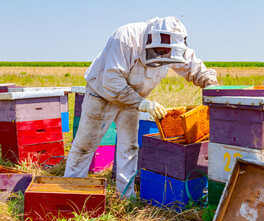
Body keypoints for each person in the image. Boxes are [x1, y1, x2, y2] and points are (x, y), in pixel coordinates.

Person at [63, 16, 218, 198]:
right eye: (162, 50)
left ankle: (126, 196)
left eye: (168, 52)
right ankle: (70, 193)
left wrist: (211, 84)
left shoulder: (172, 47)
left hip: (134, 99)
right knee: (84, 146)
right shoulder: (126, 37)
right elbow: (112, 80)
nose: (164, 54)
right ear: (153, 39)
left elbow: (192, 65)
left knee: (128, 148)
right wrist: (141, 103)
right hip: (102, 94)